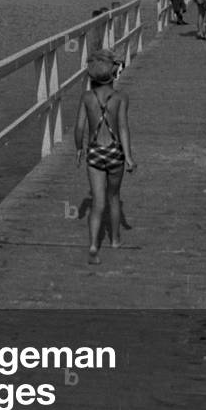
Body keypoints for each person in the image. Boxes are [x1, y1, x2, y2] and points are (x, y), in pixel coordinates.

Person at [74, 49, 136, 264]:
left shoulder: (87, 97)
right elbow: (124, 128)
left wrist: (78, 149)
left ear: (91, 76)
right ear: (114, 73)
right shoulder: (120, 98)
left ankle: (93, 244)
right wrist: (128, 157)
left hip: (94, 152)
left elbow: (79, 127)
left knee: (98, 202)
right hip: (115, 152)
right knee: (114, 198)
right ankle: (116, 239)